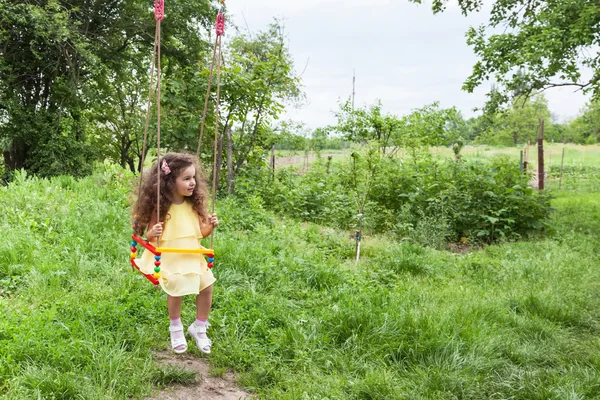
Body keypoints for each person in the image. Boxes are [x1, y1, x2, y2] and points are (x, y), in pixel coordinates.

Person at [133, 152, 218, 354]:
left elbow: (200, 233)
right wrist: (152, 233)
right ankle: (176, 327)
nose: (192, 183)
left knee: (206, 286)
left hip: (191, 253)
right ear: (171, 181)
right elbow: (152, 236)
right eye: (186, 179)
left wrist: (210, 227)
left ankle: (199, 326)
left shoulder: (193, 205)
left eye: (194, 178)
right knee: (176, 288)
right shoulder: (162, 206)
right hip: (170, 256)